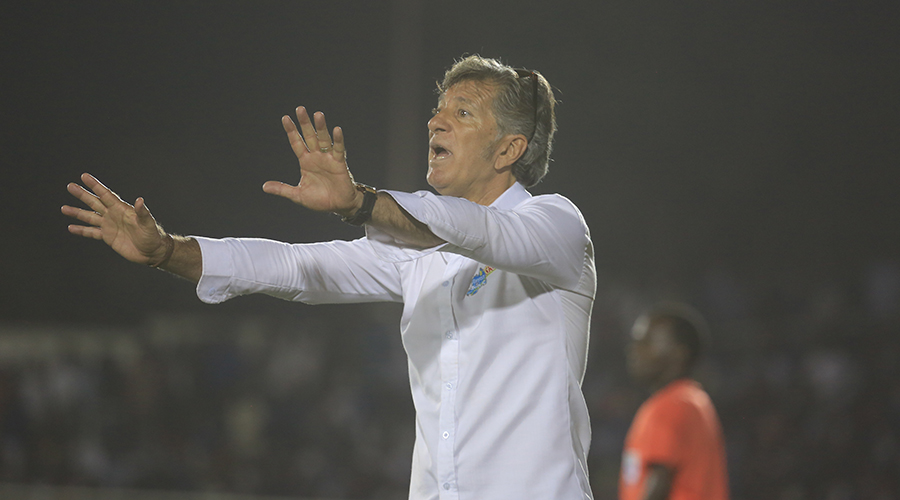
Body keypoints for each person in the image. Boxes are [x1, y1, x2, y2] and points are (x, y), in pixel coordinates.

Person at [62, 55, 597, 499]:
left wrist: (360, 203)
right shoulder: (418, 253)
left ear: (509, 149)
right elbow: (299, 267)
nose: (436, 122)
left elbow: (479, 230)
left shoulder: (557, 229)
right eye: (437, 111)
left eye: (462, 112)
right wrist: (169, 251)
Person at [620, 303, 729, 500]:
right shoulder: (694, 400)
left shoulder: (670, 406)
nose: (635, 349)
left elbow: (658, 485)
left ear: (679, 353)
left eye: (646, 342)